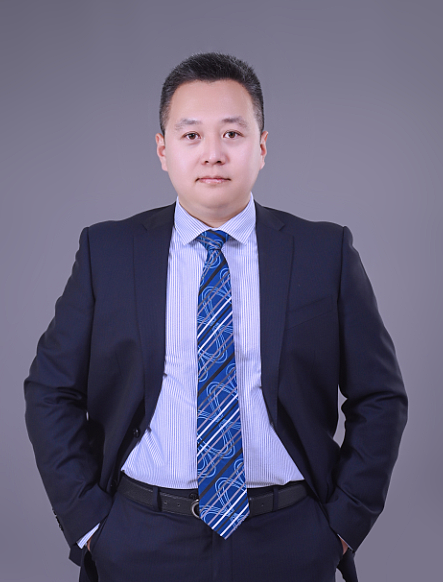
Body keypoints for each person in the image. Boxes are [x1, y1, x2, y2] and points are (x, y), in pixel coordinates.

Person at [24, 53, 407, 582]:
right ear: (163, 150)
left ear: (262, 146)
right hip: (141, 538)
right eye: (191, 136)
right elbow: (50, 389)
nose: (213, 154)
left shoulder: (324, 252)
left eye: (232, 133)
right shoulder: (107, 252)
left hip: (288, 537)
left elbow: (380, 396)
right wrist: (89, 524)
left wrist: (342, 525)